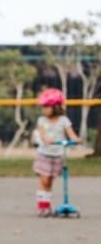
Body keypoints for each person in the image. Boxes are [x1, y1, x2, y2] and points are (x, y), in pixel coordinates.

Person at [33, 88, 81, 217]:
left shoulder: (63, 120)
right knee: (44, 180)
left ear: (56, 107)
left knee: (50, 181)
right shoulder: (41, 120)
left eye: (47, 106)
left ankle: (47, 204)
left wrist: (75, 140)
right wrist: (48, 140)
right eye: (44, 107)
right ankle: (42, 206)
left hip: (58, 155)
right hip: (44, 153)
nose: (44, 109)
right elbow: (43, 135)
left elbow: (71, 134)